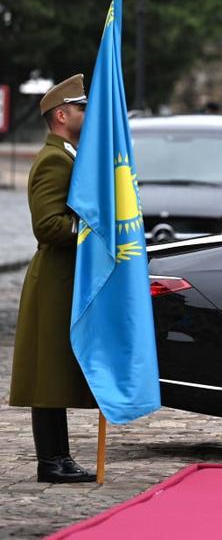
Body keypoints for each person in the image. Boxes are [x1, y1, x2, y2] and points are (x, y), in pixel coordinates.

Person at [9, 75, 98, 483]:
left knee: (54, 371)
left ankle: (58, 458)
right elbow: (48, 227)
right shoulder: (53, 160)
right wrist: (94, 227)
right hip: (53, 281)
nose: (86, 113)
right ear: (61, 115)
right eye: (80, 108)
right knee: (47, 373)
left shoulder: (68, 155)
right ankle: (51, 462)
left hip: (65, 279)